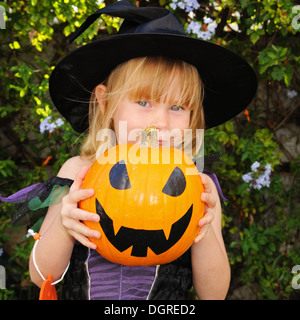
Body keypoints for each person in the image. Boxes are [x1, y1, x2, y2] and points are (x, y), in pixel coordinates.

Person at [1, 0, 257, 300]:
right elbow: (43, 276)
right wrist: (64, 225)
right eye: (144, 102)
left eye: (176, 107)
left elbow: (213, 294)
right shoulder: (78, 173)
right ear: (106, 102)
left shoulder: (199, 186)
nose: (161, 122)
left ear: (192, 119)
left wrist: (205, 226)